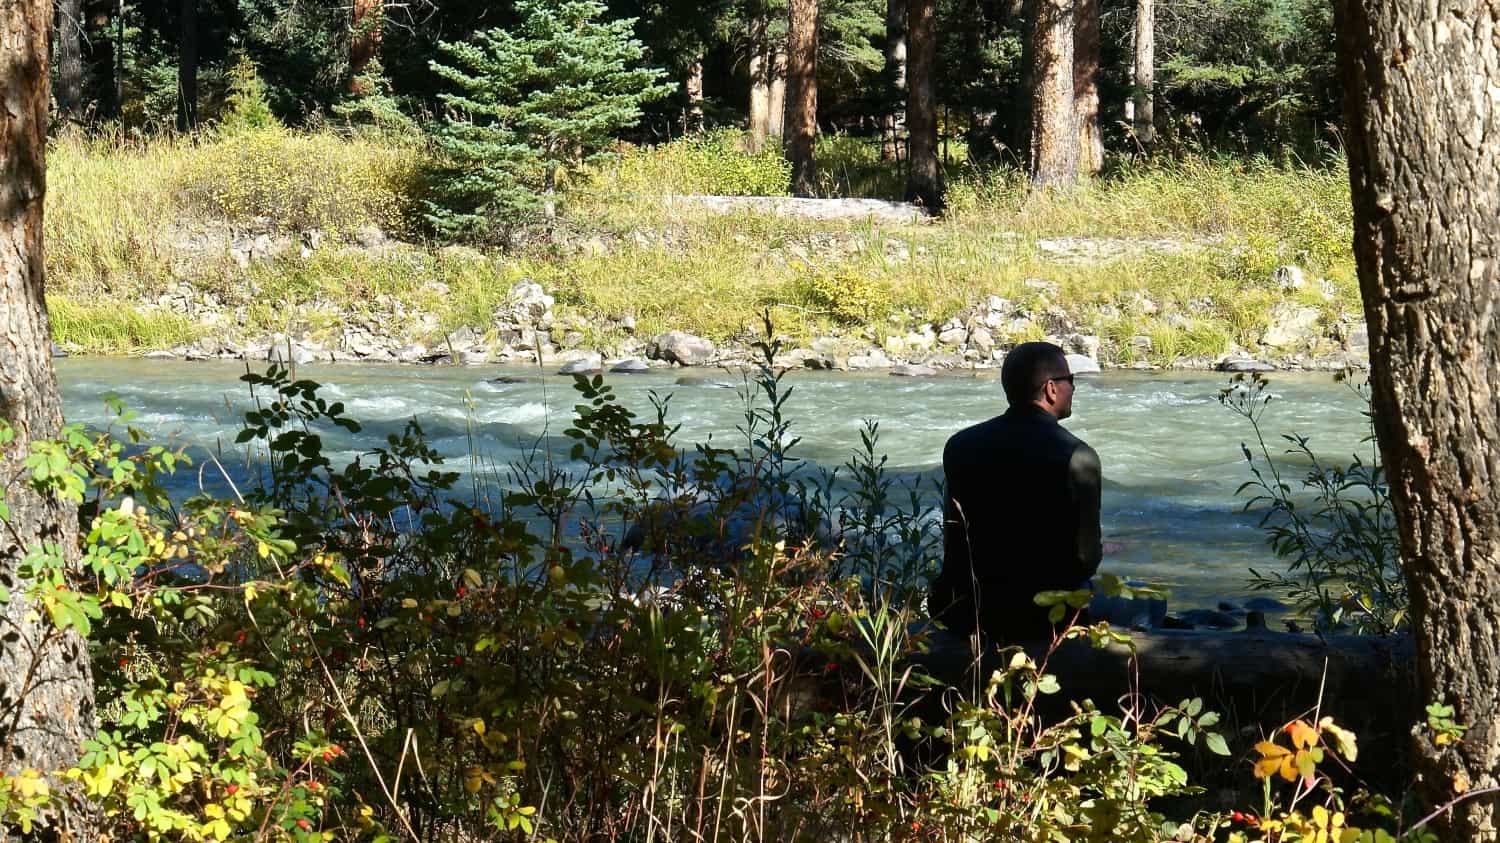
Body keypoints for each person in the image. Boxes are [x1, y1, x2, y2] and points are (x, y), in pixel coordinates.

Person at [928, 342, 1102, 642]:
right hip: (1042, 620)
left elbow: (954, 538)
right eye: (1070, 381)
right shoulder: (1077, 455)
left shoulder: (960, 445)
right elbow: (1085, 560)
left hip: (968, 611)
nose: (1073, 389)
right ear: (1051, 389)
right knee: (1145, 605)